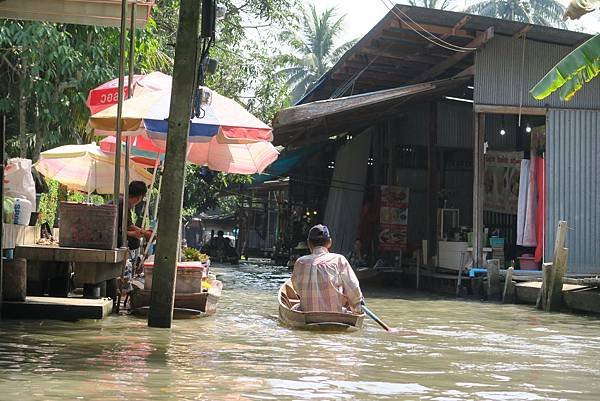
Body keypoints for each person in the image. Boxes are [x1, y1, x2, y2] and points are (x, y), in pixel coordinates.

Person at [291, 224, 363, 313]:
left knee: (295, 308)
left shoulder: (300, 262)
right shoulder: (339, 260)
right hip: (334, 314)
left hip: (307, 315)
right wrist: (357, 306)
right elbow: (354, 288)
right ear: (329, 242)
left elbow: (297, 289)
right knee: (349, 307)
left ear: (309, 243)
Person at [110, 181, 151, 250]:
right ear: (139, 197)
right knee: (134, 242)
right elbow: (128, 226)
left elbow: (126, 225)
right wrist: (143, 233)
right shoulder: (123, 203)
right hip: (108, 236)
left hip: (109, 232)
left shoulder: (120, 199)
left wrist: (141, 232)